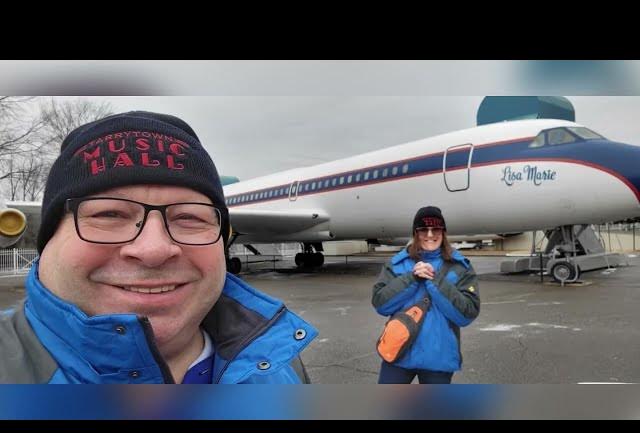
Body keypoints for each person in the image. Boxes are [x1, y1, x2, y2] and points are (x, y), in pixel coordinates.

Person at [0, 111, 317, 384]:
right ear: (50, 238)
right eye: (109, 214)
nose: (154, 250)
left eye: (189, 217)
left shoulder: (277, 361)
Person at [371, 206, 479, 384]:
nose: (430, 234)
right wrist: (411, 278)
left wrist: (434, 280)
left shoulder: (460, 267)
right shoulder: (397, 264)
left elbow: (467, 314)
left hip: (439, 358)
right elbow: (381, 304)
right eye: (423, 229)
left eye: (436, 229)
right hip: (399, 352)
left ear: (443, 232)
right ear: (416, 233)